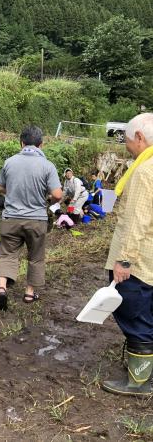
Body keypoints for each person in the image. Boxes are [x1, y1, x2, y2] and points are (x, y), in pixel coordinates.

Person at [101, 113, 153, 396]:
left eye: (128, 140)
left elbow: (137, 221)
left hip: (142, 261)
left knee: (135, 316)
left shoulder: (145, 172)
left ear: (140, 138)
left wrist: (124, 260)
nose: (126, 145)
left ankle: (139, 382)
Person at [0, 125, 63, 310]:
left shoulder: (9, 162)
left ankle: (1, 288)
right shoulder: (48, 165)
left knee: (7, 254)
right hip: (36, 219)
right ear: (41, 144)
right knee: (35, 257)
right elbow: (57, 194)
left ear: (21, 143)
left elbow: (0, 187)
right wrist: (45, 197)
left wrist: (13, 192)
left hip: (11, 218)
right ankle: (29, 293)